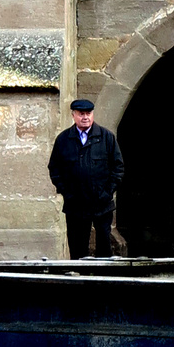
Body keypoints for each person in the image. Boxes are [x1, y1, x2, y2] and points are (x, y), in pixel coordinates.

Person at [48, 98, 125, 259]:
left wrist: (107, 192)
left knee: (104, 246)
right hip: (75, 204)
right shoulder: (63, 140)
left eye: (88, 113)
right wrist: (67, 193)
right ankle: (79, 279)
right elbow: (55, 169)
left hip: (102, 202)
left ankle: (104, 279)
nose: (85, 117)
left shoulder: (106, 138)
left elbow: (118, 168)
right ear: (73, 115)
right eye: (81, 114)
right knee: (77, 247)